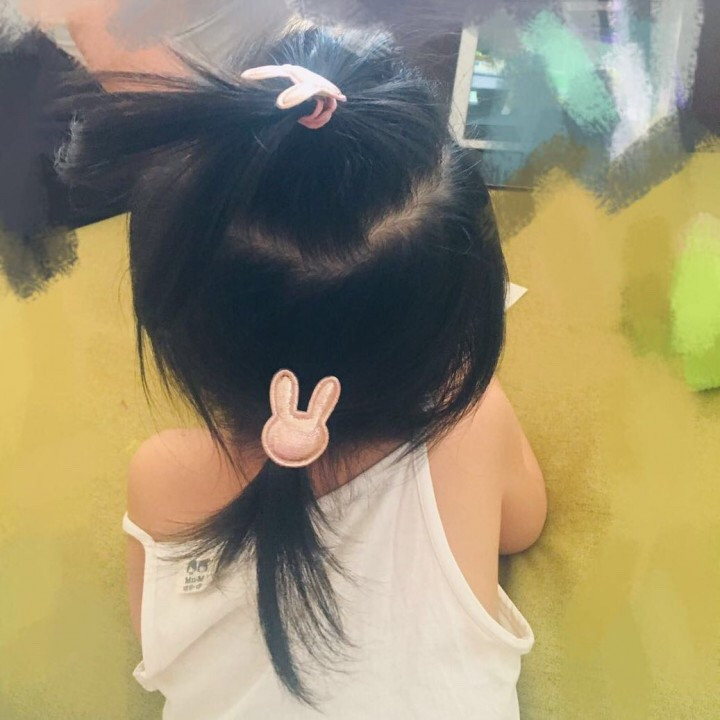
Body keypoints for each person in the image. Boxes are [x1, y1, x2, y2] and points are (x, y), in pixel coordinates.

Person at [57, 20, 547, 720]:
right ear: (458, 322)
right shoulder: (470, 428)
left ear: (185, 337)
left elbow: (156, 639)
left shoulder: (161, 477)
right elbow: (523, 524)